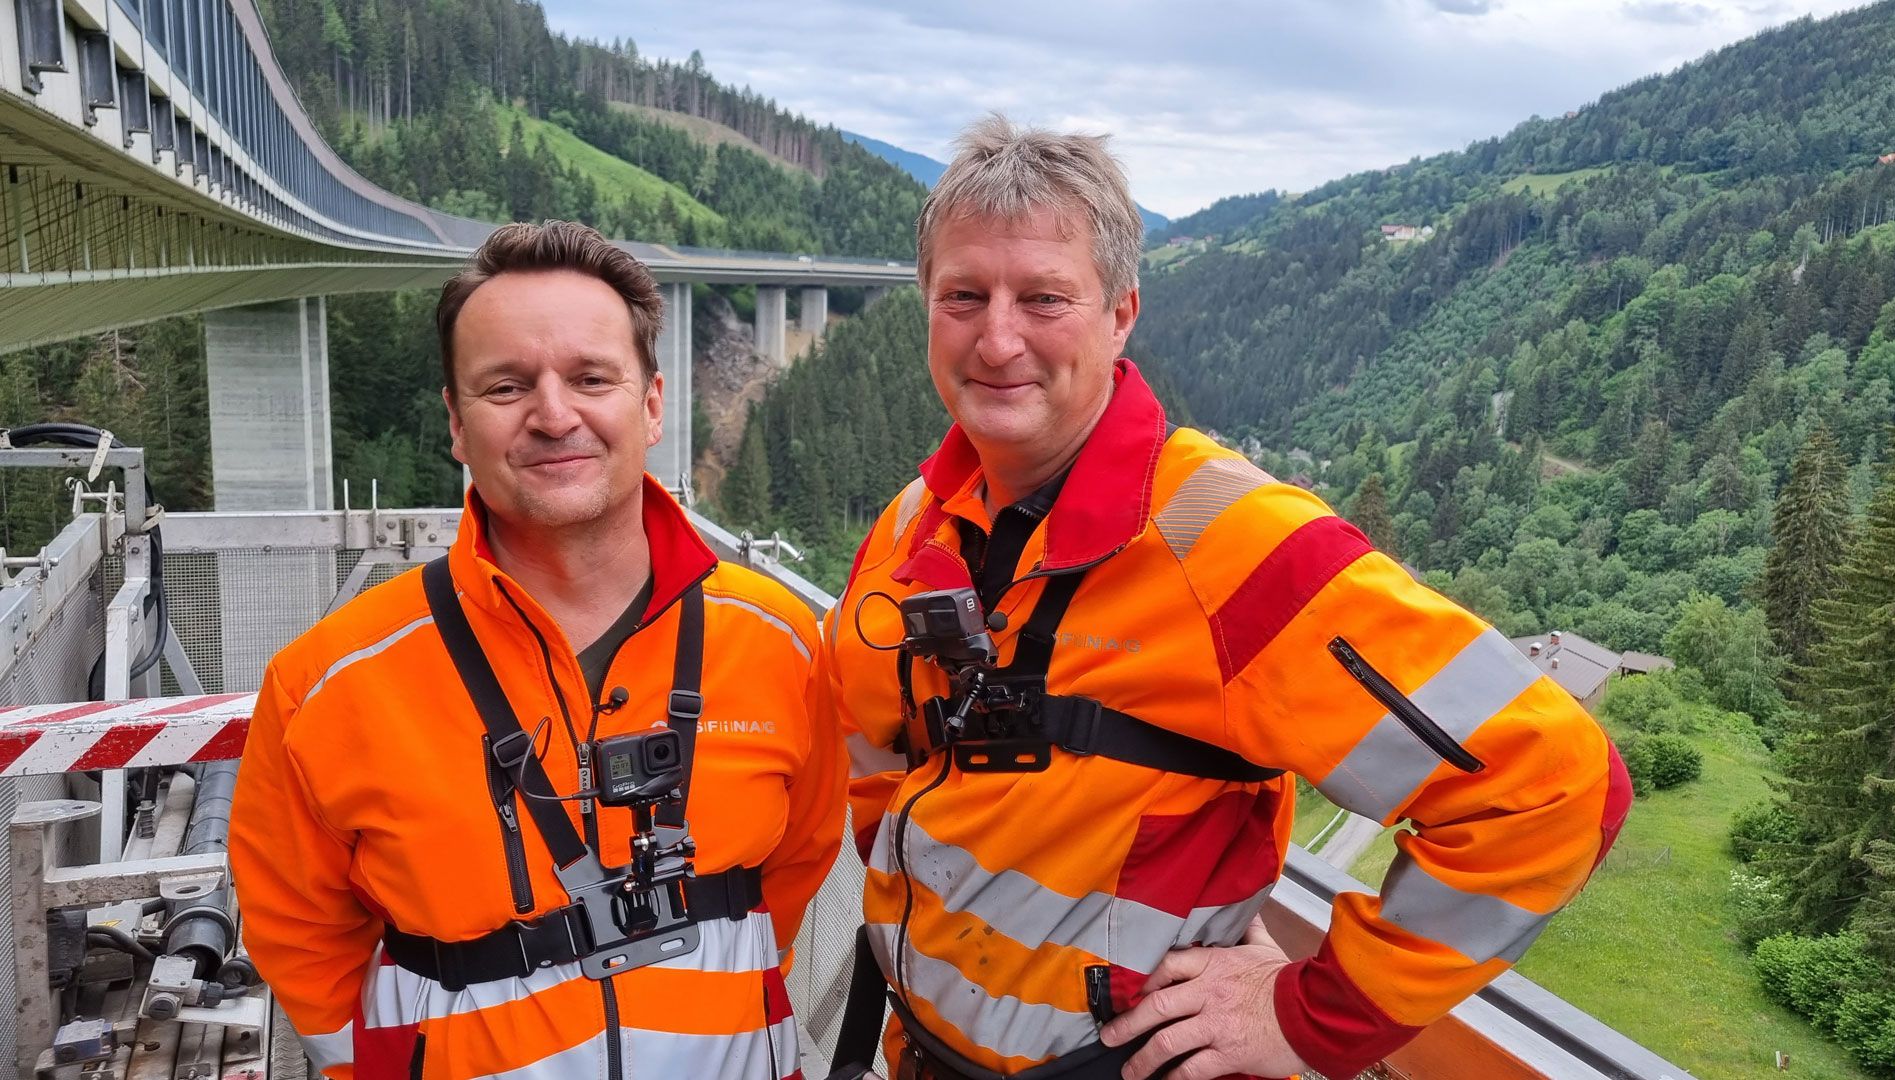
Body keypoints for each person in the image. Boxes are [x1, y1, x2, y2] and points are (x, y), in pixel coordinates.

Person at [818, 116, 1632, 1080]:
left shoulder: (1227, 543)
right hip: (917, 1053)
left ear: (1121, 313)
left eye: (1044, 298)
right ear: (928, 306)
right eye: (965, 296)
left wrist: (1309, 1018)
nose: (998, 338)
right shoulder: (916, 524)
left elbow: (1552, 787)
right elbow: (869, 742)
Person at [231, 221, 845, 1080]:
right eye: (507, 386)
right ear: (455, 421)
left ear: (653, 403)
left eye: (591, 378)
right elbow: (297, 932)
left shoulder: (778, 641)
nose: (554, 416)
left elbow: (801, 856)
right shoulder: (329, 687)